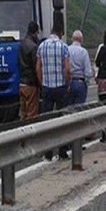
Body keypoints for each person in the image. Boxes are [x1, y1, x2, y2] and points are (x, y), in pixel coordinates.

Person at [36, 25, 71, 160]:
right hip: (60, 87)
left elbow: (38, 68)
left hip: (47, 87)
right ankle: (62, 151)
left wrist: (42, 83)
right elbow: (67, 69)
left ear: (51, 32)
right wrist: (67, 84)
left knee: (47, 120)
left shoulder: (41, 46)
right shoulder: (63, 47)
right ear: (61, 33)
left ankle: (48, 152)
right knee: (62, 119)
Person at [18, 21, 41, 120]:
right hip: (31, 84)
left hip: (22, 83)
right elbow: (36, 67)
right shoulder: (33, 47)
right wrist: (40, 83)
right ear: (35, 32)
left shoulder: (21, 44)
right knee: (32, 113)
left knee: (22, 112)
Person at [68, 30, 93, 106]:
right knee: (79, 109)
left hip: (69, 81)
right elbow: (88, 71)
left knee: (68, 108)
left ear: (72, 39)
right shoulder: (83, 52)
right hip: (80, 82)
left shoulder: (67, 49)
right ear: (81, 40)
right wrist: (87, 83)